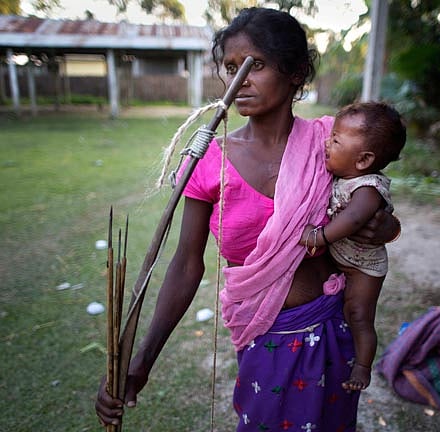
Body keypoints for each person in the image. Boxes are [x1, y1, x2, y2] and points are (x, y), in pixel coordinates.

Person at [95, 7, 400, 431]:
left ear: (294, 72)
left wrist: (387, 225)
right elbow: (186, 263)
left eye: (254, 66)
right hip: (264, 337)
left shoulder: (329, 145)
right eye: (231, 67)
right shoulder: (209, 162)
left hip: (332, 327)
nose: (239, 80)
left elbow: (375, 205)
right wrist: (142, 360)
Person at [299, 101, 406, 392]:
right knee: (345, 311)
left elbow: (354, 218)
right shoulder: (344, 175)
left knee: (359, 314)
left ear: (362, 160)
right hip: (343, 259)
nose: (326, 143)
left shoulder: (368, 188)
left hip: (363, 267)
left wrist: (319, 237)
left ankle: (362, 367)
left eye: (335, 140)